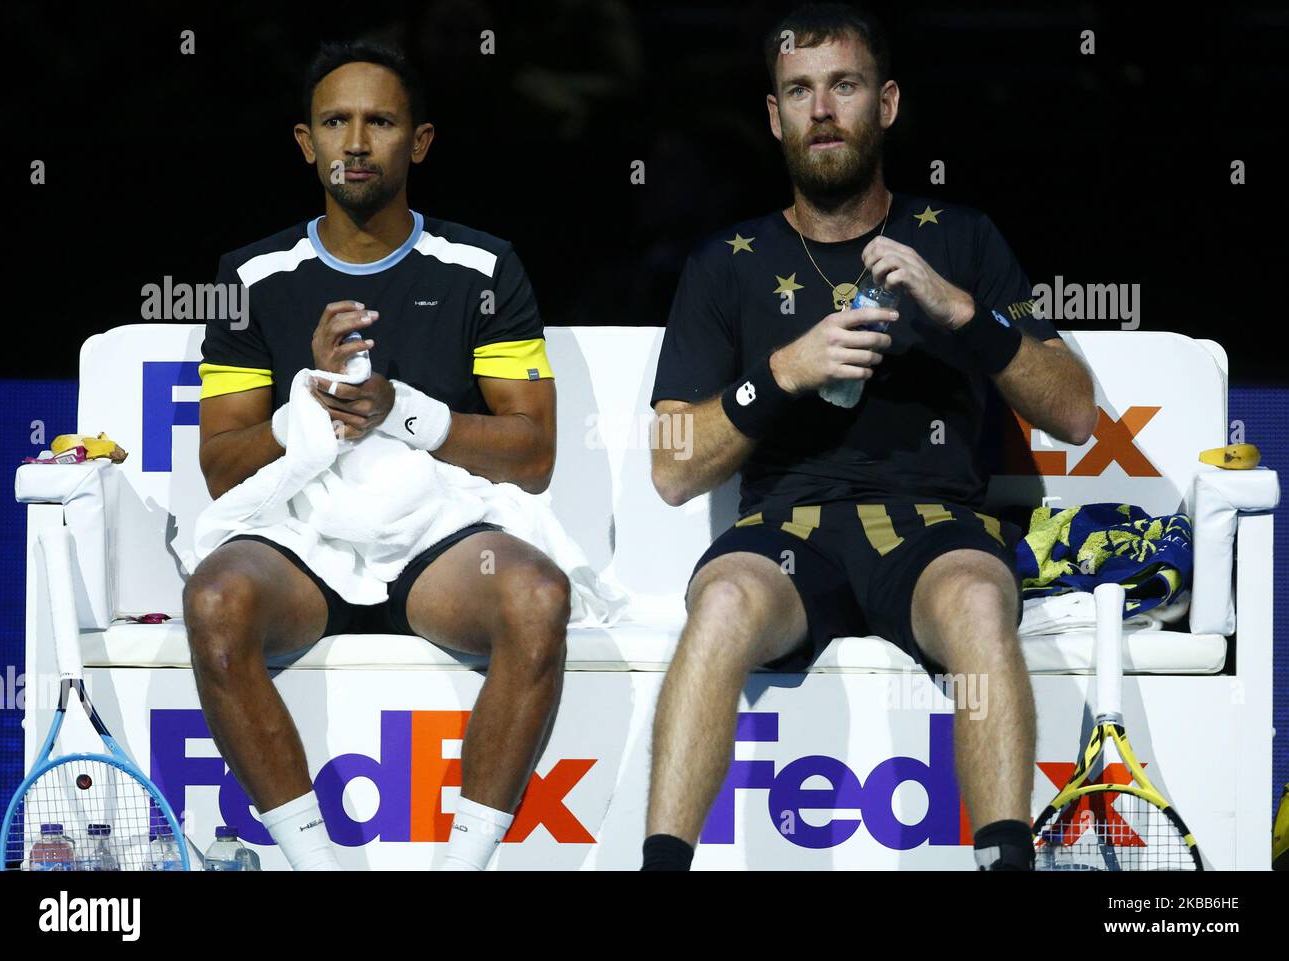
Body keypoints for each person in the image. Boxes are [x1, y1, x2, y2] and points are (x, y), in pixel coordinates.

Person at [643, 2, 1097, 871]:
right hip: (785, 534)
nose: (822, 110)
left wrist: (960, 310)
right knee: (724, 602)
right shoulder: (726, 261)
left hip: (932, 528)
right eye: (800, 92)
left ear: (884, 104)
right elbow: (672, 466)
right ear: (774, 116)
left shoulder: (960, 238)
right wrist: (784, 371)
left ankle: (1006, 862)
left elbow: (1075, 411)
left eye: (843, 86)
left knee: (975, 597)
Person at [186, 40, 567, 871]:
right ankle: (314, 866)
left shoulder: (482, 267)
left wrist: (408, 412)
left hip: (439, 539)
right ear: (304, 141)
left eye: (380, 121)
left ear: (419, 142)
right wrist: (306, 404)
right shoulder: (247, 275)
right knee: (216, 598)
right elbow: (223, 467)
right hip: (300, 543)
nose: (355, 142)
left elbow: (532, 452)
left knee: (537, 596)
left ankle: (461, 866)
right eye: (335, 122)